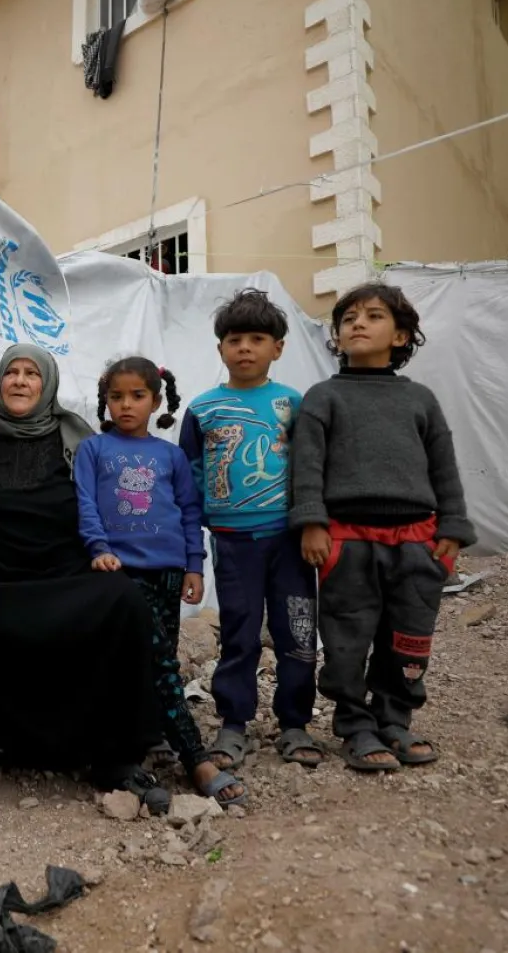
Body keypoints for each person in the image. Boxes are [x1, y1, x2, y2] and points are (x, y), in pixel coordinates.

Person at [0, 343, 196, 819]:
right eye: (12, 372)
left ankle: (114, 755)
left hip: (64, 568)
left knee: (122, 600)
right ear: (0, 381)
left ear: (47, 383)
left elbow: (103, 502)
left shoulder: (78, 438)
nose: (21, 381)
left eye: (32, 373)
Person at [289, 283, 475, 771]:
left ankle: (395, 719)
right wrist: (312, 523)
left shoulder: (420, 400)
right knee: (347, 639)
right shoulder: (322, 397)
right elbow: (306, 467)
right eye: (348, 317)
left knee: (409, 637)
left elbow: (444, 467)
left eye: (373, 316)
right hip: (346, 540)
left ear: (401, 336)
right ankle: (354, 724)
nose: (357, 323)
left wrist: (452, 529)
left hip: (417, 541)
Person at [76, 357, 247, 805]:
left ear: (156, 400)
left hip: (170, 571)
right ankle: (196, 758)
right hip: (121, 573)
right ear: (105, 401)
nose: (126, 405)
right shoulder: (93, 450)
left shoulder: (170, 455)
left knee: (161, 656)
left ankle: (151, 735)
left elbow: (190, 513)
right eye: (116, 396)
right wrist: (100, 549)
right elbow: (87, 504)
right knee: (159, 663)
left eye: (137, 396)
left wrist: (194, 564)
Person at [180, 289, 322, 771]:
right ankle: (233, 722)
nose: (245, 348)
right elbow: (190, 473)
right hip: (233, 541)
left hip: (290, 539)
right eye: (234, 339)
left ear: (277, 348)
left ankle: (296, 722)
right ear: (220, 348)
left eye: (257, 338)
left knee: (296, 631)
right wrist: (200, 532)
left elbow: (309, 468)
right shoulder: (202, 410)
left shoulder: (293, 403)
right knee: (239, 631)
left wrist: (311, 522)